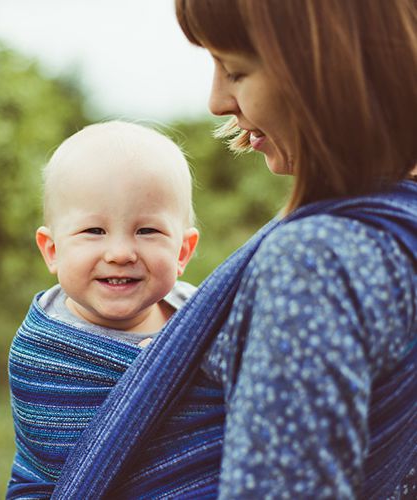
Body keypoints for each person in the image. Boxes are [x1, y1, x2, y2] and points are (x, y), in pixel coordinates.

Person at [49, 1, 417, 499]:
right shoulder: (397, 231)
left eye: (236, 70)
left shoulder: (314, 261)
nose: (217, 101)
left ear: (324, 66)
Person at [6, 120, 200, 497]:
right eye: (94, 231)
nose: (120, 253)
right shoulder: (45, 353)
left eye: (147, 231)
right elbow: (52, 465)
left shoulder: (201, 313)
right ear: (52, 250)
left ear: (182, 252)